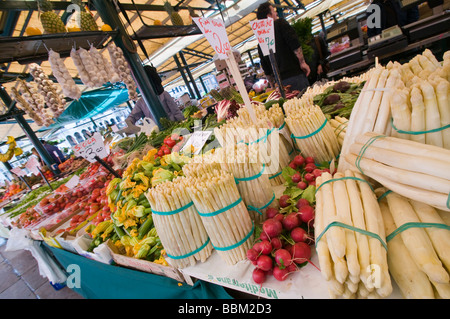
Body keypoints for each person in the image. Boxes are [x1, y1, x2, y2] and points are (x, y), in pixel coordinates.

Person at [256, 2, 311, 92]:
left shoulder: (261, 41)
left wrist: (272, 84)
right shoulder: (280, 24)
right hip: (295, 75)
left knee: (291, 105)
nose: (276, 13)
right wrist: (302, 62)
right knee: (306, 102)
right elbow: (294, 43)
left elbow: (265, 66)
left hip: (280, 84)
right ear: (268, 16)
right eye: (274, 11)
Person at [123, 65, 185, 135]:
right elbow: (132, 116)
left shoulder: (164, 94)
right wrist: (129, 125)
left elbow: (176, 112)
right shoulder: (141, 102)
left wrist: (183, 125)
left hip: (174, 129)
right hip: (158, 134)